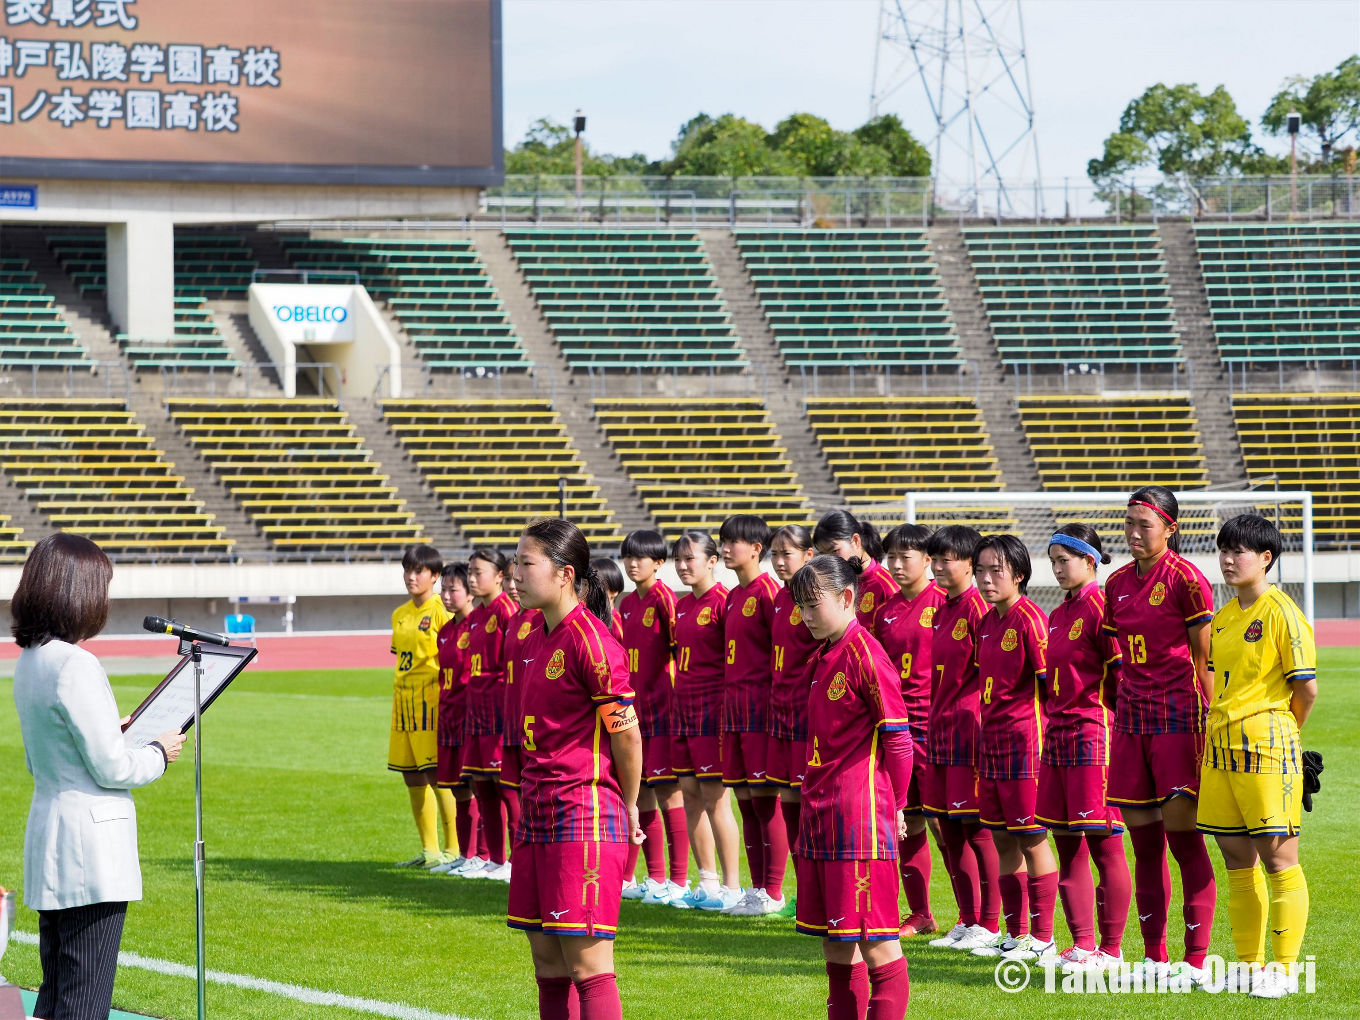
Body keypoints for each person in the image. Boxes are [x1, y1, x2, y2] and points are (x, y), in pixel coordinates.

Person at [12, 534, 186, 1020]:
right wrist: (158, 752)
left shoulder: (31, 658)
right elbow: (113, 768)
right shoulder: (76, 662)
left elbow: (46, 755)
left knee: (55, 995)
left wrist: (113, 731)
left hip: (50, 837)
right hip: (89, 853)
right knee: (84, 1000)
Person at [507, 519, 643, 1020]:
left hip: (582, 814)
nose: (515, 575)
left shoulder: (593, 642)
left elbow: (626, 734)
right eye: (515, 563)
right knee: (547, 962)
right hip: (536, 811)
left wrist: (629, 804)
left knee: (589, 967)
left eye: (526, 564)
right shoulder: (533, 637)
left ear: (565, 574)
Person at [791, 554, 913, 1020]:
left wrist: (897, 805)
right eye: (800, 605)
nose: (805, 615)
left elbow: (898, 741)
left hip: (858, 818)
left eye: (813, 604)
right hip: (820, 813)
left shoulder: (867, 654)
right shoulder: (825, 653)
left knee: (877, 942)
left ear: (846, 598)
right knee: (836, 943)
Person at [1199, 514, 1316, 998]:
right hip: (1220, 752)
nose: (1228, 560)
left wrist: (1282, 738)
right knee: (1235, 858)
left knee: (1279, 859)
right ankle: (1249, 966)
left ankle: (1285, 972)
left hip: (1267, 752)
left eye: (1239, 552)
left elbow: (1306, 690)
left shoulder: (1282, 612)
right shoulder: (1223, 617)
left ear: (1265, 558)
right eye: (1223, 550)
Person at [1103, 486, 1216, 980]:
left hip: (1177, 717)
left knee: (1183, 840)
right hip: (1131, 720)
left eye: (1143, 524)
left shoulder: (1187, 579)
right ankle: (1154, 956)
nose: (1133, 532)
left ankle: (1195, 960)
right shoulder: (1115, 583)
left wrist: (1213, 718)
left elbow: (1205, 660)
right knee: (1144, 844)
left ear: (1170, 528)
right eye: (1128, 522)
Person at [1036, 524, 1130, 969]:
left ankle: (1111, 949)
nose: (1057, 569)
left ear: (1090, 561)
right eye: (1052, 561)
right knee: (1065, 841)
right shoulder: (1058, 614)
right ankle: (1082, 945)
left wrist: (1116, 727)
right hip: (1057, 735)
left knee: (1103, 842)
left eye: (1064, 560)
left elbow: (1122, 677)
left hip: (1093, 733)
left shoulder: (1102, 608)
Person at [969, 535, 1056, 962]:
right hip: (992, 746)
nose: (986, 579)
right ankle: (1015, 933)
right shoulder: (986, 623)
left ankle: (1043, 936)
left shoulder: (1031, 620)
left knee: (1032, 839)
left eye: (995, 571)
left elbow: (1049, 688)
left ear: (1019, 575)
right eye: (980, 571)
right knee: (1002, 839)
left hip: (1025, 746)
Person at [921, 525, 1000, 952]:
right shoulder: (942, 609)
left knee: (976, 828)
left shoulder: (978, 610)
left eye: (945, 559)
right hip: (940, 729)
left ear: (970, 564)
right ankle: (967, 919)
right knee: (948, 827)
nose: (936, 566)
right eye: (934, 558)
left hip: (969, 732)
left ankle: (989, 922)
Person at [875, 523, 947, 937]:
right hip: (900, 730)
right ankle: (921, 913)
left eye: (906, 556)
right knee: (908, 821)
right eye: (892, 557)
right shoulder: (884, 611)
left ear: (927, 560)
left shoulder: (944, 603)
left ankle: (976, 918)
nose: (897, 564)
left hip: (937, 728)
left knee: (947, 824)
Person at [667, 531, 742, 911]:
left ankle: (732, 886)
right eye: (678, 560)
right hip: (683, 709)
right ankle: (707, 882)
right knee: (689, 794)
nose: (682, 566)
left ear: (712, 561)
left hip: (712, 711)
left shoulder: (723, 602)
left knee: (715, 798)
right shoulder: (681, 605)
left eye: (690, 558)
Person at [718, 514, 787, 916]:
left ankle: (772, 892)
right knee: (744, 802)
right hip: (734, 710)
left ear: (757, 549)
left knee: (765, 802)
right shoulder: (733, 595)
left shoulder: (768, 593)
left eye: (734, 542)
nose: (726, 548)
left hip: (760, 711)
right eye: (724, 541)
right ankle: (756, 889)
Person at [617, 530, 689, 906]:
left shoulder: (664, 599)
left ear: (658, 563)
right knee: (641, 792)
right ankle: (655, 877)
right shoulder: (628, 603)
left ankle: (678, 880)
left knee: (667, 793)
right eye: (628, 556)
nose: (632, 563)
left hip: (663, 711)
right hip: (636, 713)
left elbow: (679, 652)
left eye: (640, 557)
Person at [390, 544, 455, 867]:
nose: (411, 577)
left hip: (430, 701)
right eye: (407, 570)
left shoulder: (441, 611)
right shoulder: (399, 614)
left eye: (418, 571)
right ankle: (430, 851)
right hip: (402, 703)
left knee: (437, 774)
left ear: (435, 576)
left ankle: (454, 850)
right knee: (412, 776)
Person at [766, 524, 819, 919]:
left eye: (788, 553)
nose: (780, 561)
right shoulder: (781, 596)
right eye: (775, 553)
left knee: (808, 807)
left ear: (809, 555)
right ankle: (804, 895)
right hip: (780, 710)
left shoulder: (815, 597)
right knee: (787, 802)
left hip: (806, 712)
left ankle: (817, 893)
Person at [458, 548, 518, 881]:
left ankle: (515, 862)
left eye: (478, 572)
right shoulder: (476, 615)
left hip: (499, 711)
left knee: (505, 788)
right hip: (476, 711)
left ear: (499, 576)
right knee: (482, 786)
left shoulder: (507, 610)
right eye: (469, 572)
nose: (471, 578)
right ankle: (495, 860)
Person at [432, 562, 484, 875]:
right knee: (456, 788)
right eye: (444, 590)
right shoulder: (445, 631)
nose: (446, 596)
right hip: (448, 716)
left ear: (470, 592)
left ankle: (483, 856)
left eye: (453, 589)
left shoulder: (478, 625)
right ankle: (465, 855)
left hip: (472, 718)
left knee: (479, 786)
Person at [498, 570, 539, 880]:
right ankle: (517, 859)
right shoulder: (513, 620)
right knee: (510, 790)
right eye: (509, 580)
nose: (513, 586)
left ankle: (531, 857)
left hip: (532, 720)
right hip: (512, 716)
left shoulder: (540, 618)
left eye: (519, 578)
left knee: (534, 792)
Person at [814, 510, 898, 636]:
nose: (830, 561)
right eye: (823, 554)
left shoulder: (887, 587)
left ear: (855, 540)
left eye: (834, 551)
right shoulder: (830, 584)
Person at [593, 558, 627, 644]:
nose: (592, 589)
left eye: (597, 584)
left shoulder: (619, 626)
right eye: (588, 583)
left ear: (614, 591)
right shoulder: (586, 619)